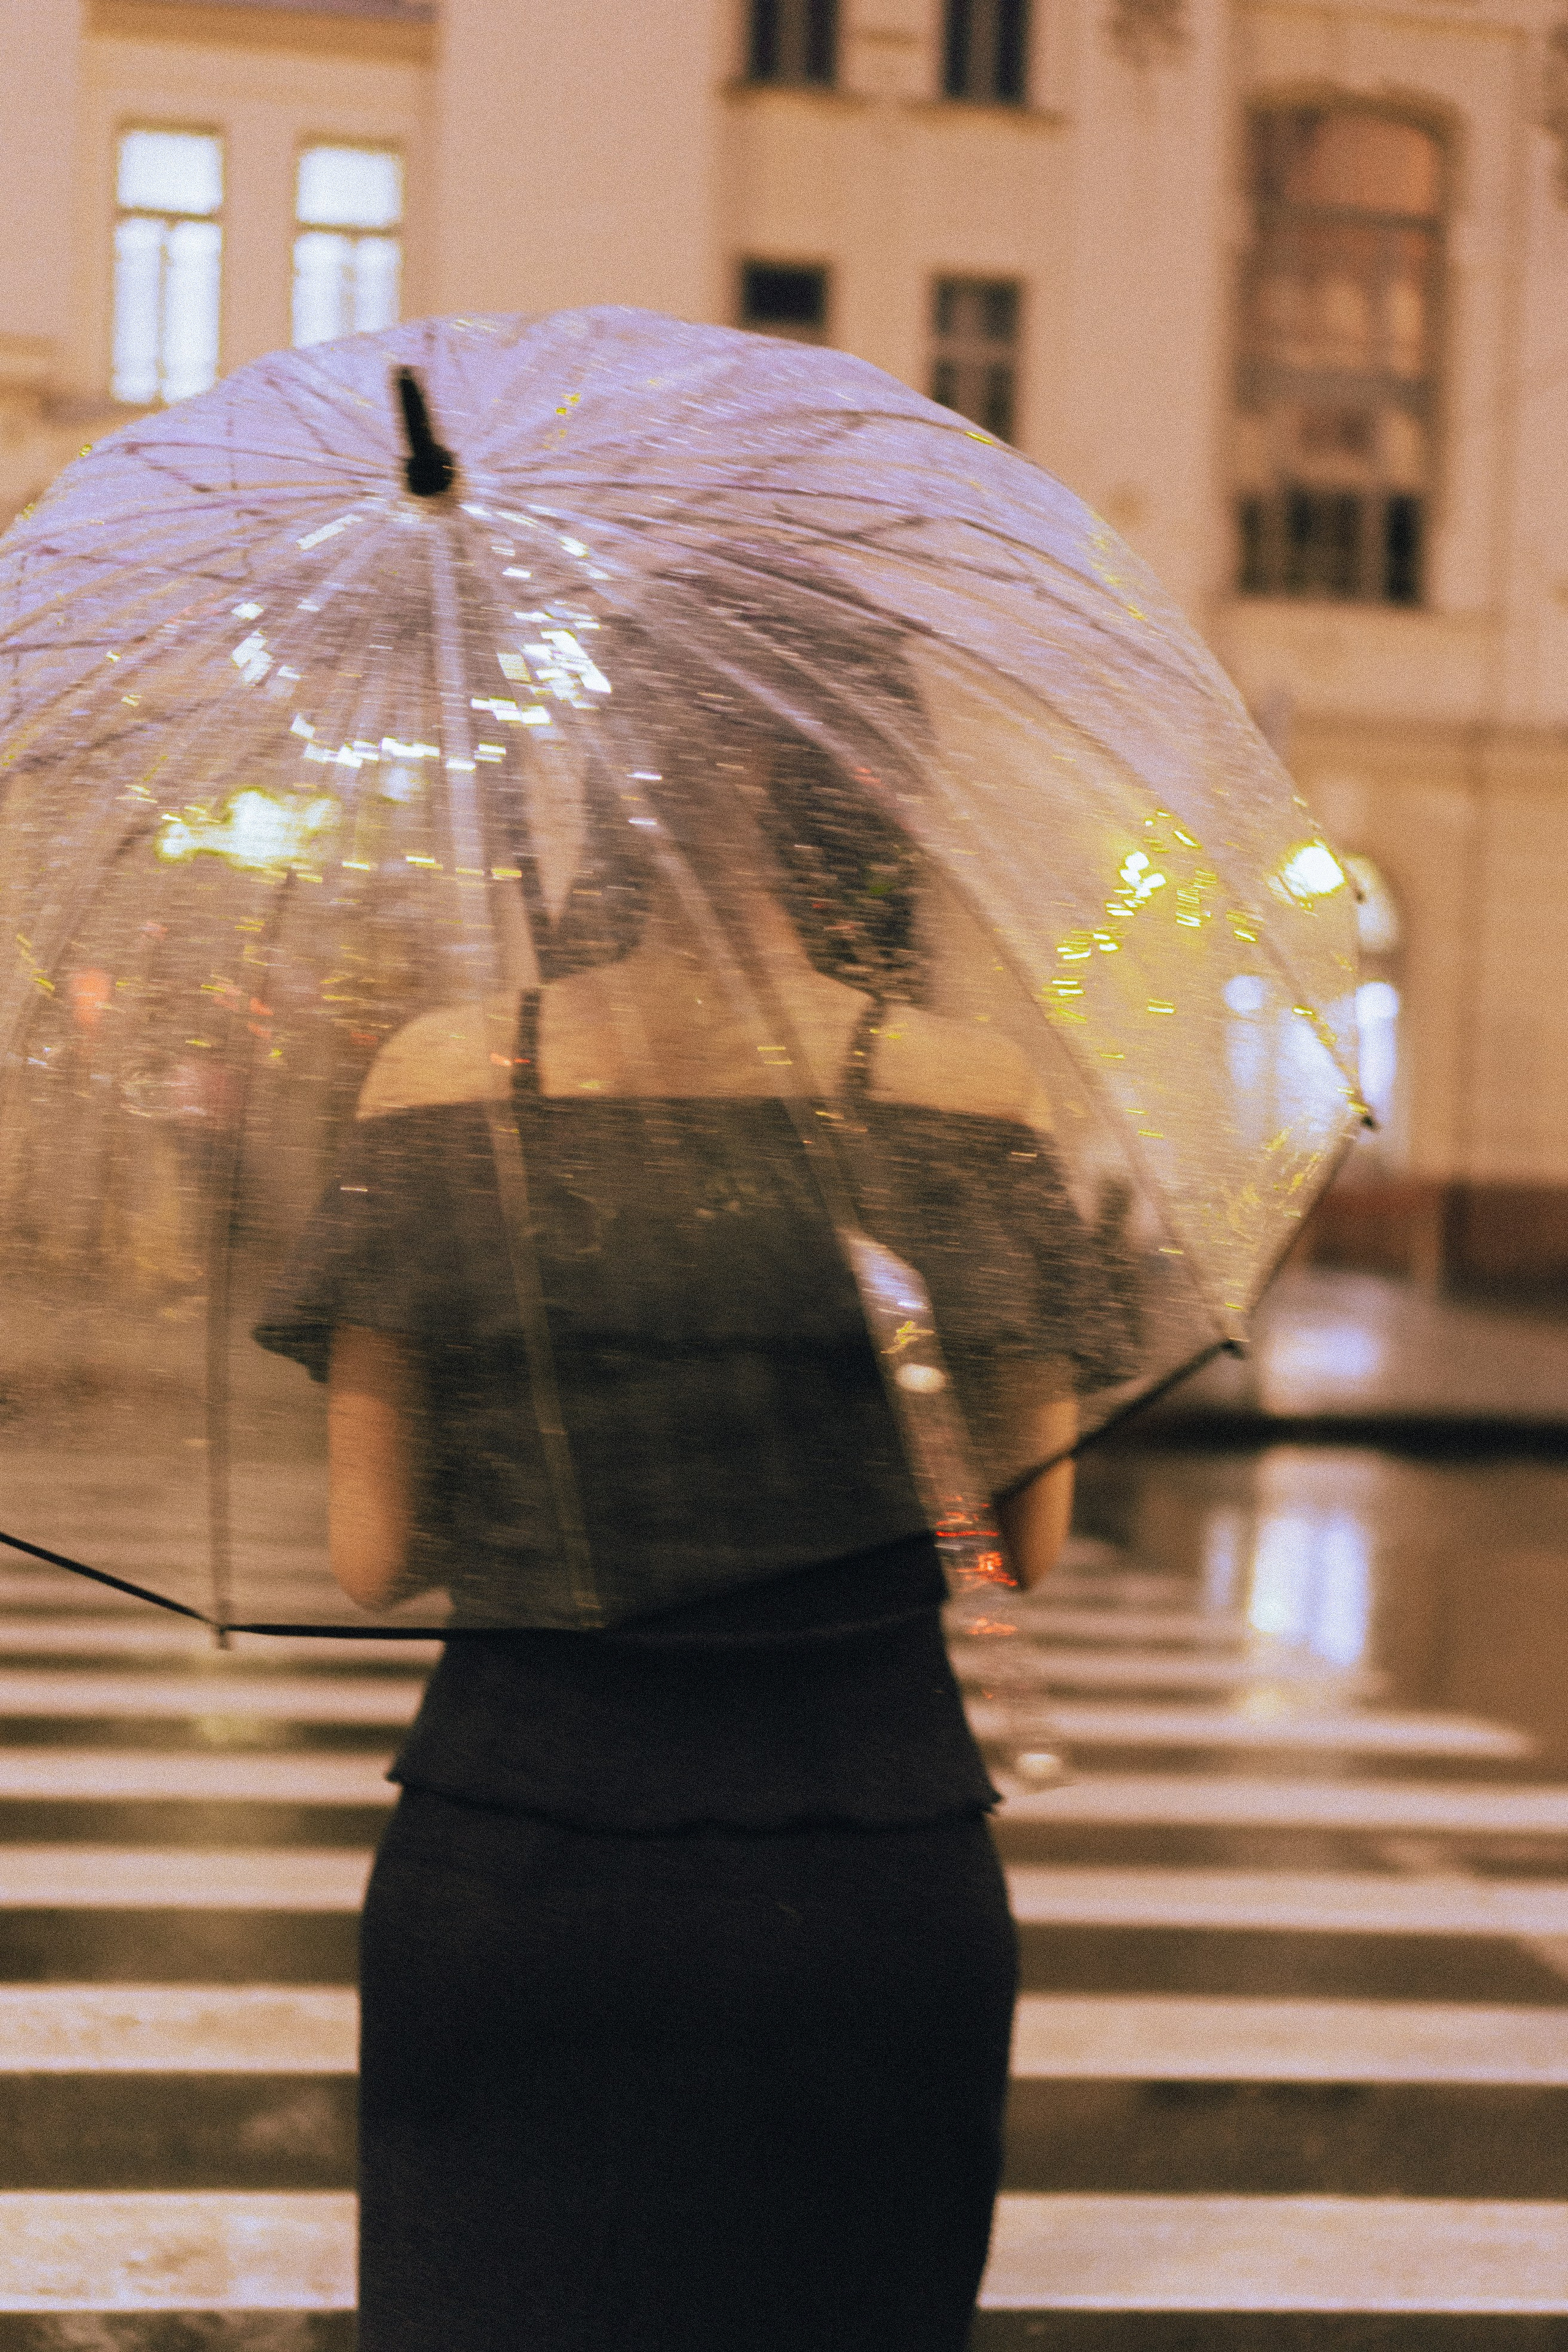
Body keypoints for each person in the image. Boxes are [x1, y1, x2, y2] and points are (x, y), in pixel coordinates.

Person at [255, 704, 1134, 2351]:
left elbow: (372, 1552)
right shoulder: (964, 1093)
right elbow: (1015, 1546)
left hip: (515, 1859)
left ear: (601, 787)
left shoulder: (441, 1081)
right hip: (863, 1867)